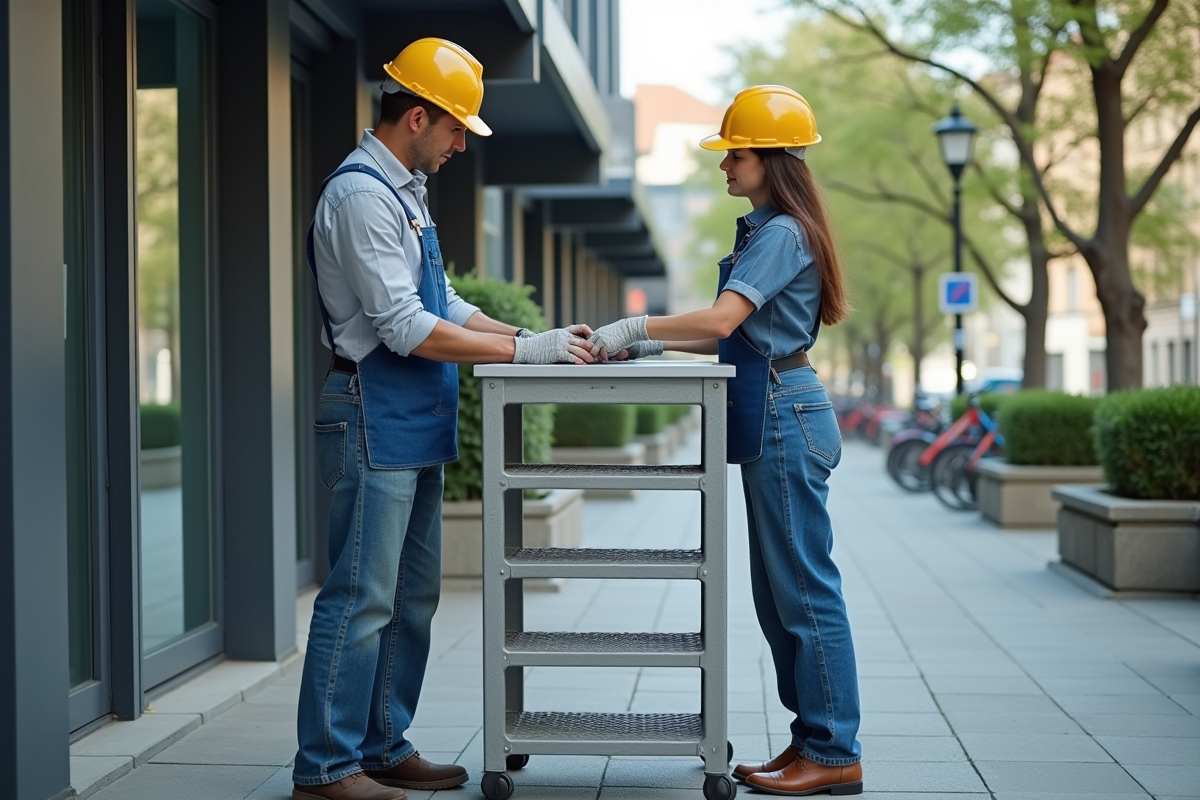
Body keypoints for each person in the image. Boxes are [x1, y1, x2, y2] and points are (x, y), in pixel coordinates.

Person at [293, 38, 594, 800]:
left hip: (410, 412)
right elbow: (401, 326)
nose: (462, 143)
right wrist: (527, 354)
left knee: (410, 596)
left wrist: (528, 339)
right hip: (370, 410)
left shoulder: (405, 193)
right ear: (418, 116)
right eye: (458, 129)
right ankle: (325, 768)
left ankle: (383, 745)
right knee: (360, 597)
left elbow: (442, 304)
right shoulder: (361, 195)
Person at [588, 85, 863, 796]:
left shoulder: (781, 233)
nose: (724, 166)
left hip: (782, 412)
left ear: (772, 159)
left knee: (803, 590)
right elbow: (729, 330)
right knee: (780, 596)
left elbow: (719, 322)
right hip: (772, 410)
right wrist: (640, 349)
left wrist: (635, 330)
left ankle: (834, 753)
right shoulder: (769, 227)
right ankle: (810, 741)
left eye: (734, 154)